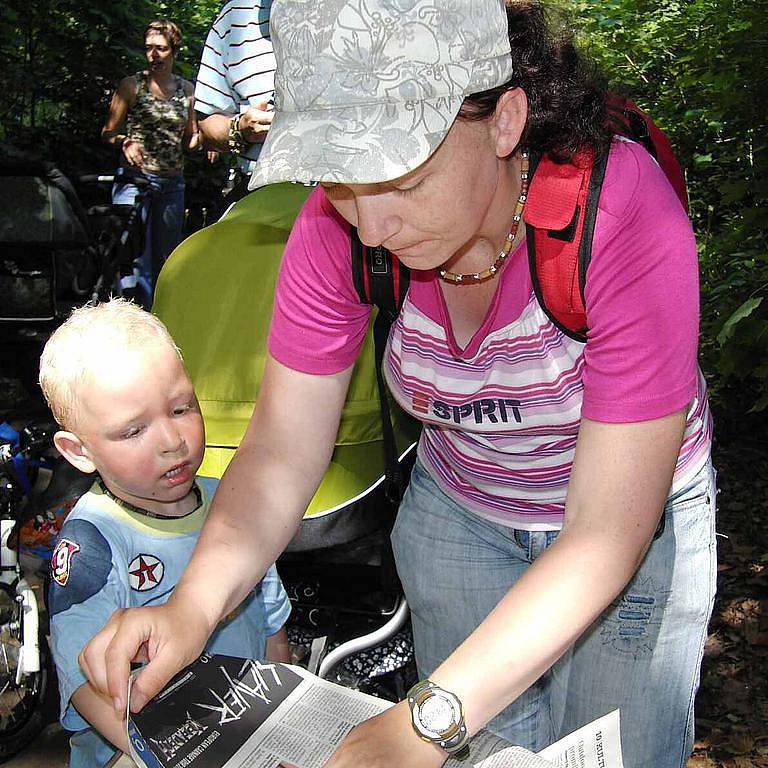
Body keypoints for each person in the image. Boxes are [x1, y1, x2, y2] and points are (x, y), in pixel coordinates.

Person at [80, 2, 716, 768]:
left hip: (630, 528)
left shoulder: (620, 214)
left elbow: (605, 535)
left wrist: (423, 723)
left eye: (401, 175)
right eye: (341, 181)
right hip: (462, 515)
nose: (372, 226)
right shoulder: (335, 231)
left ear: (505, 120)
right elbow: (282, 451)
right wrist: (192, 606)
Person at [39, 299, 291, 768]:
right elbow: (83, 683)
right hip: (136, 749)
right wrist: (157, 754)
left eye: (181, 408)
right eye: (133, 431)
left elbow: (271, 622)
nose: (171, 441)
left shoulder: (232, 504)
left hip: (240, 735)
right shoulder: (92, 545)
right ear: (78, 451)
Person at [101, 20, 200, 307]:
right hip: (135, 180)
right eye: (148, 49)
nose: (153, 55)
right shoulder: (132, 86)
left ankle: (162, 317)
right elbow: (108, 132)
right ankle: (128, 316)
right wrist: (125, 141)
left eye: (160, 49)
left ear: (174, 52)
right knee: (132, 257)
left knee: (167, 259)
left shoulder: (187, 90)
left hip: (172, 183)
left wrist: (203, 143)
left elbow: (190, 136)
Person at [193, 0, 276, 197]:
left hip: (350, 195)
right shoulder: (235, 15)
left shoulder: (355, 10)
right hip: (264, 195)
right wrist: (240, 130)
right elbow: (206, 126)